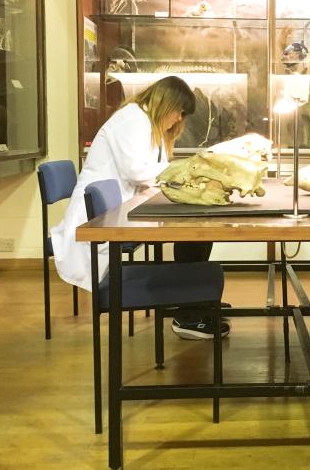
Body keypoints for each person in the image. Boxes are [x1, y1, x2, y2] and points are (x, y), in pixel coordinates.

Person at [51, 76, 226, 339]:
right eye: (179, 111)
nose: (179, 119)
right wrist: (185, 172)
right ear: (166, 103)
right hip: (104, 219)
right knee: (192, 234)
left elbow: (154, 171)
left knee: (195, 233)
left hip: (122, 209)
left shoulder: (142, 121)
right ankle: (189, 311)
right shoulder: (132, 120)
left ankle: (196, 300)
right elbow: (138, 171)